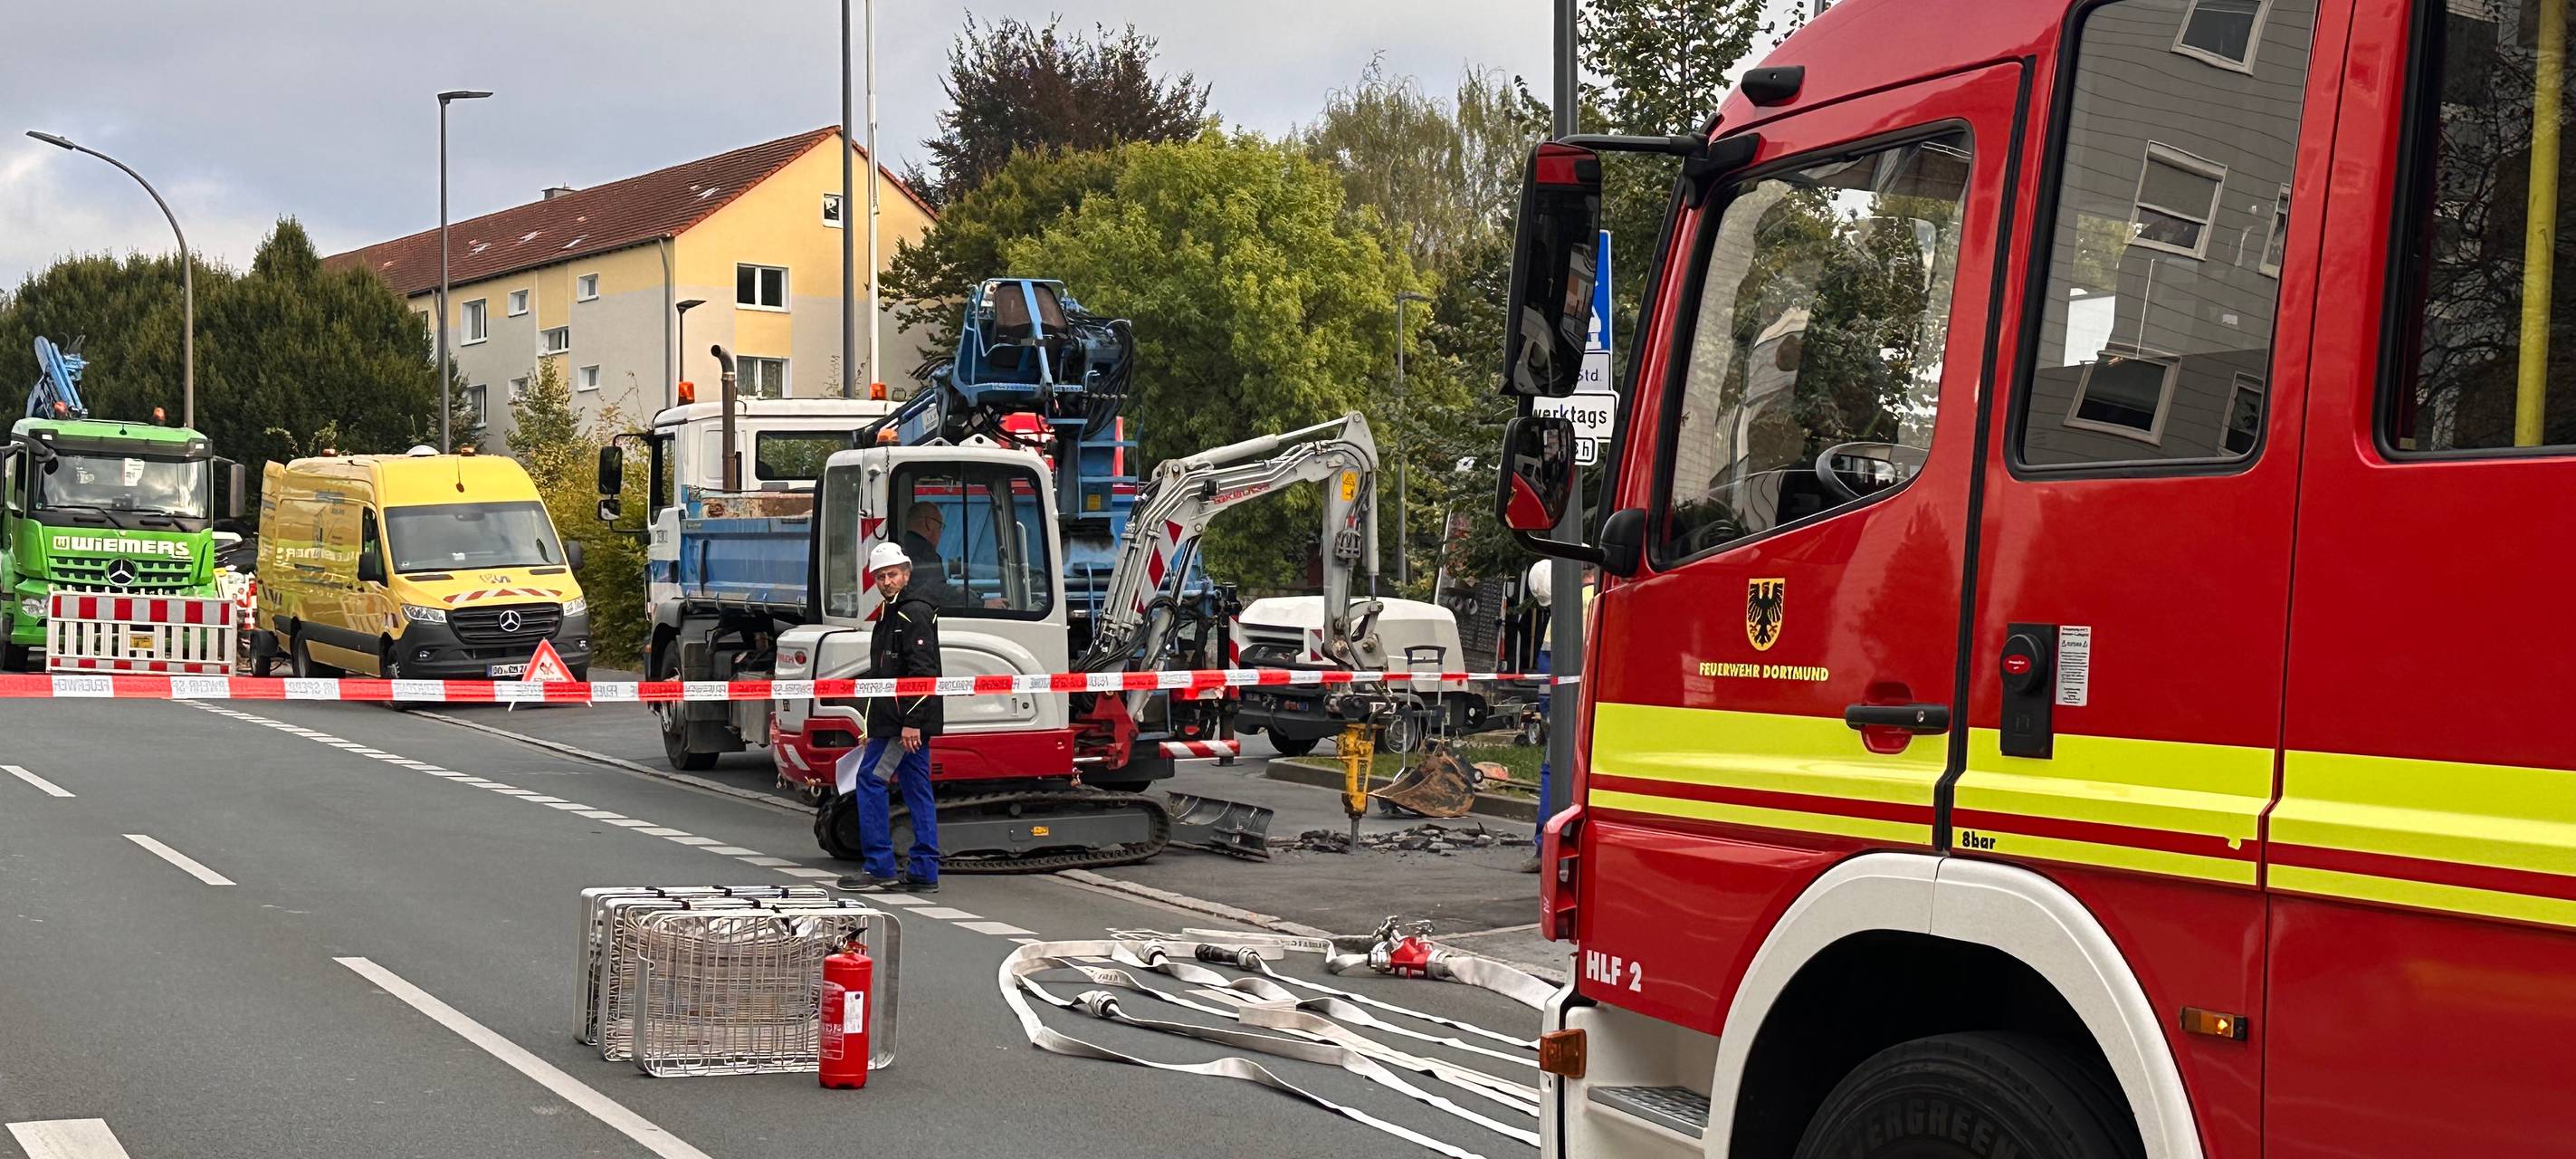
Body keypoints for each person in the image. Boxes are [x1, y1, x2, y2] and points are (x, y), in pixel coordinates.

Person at [835, 541, 943, 894]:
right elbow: (881, 676)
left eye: (892, 574)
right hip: (897, 720)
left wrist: (911, 721)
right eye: (880, 576)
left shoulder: (913, 613)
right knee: (916, 789)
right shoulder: (890, 613)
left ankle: (879, 866)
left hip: (903, 723)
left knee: (870, 781)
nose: (886, 581)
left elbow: (922, 672)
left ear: (906, 574)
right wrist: (871, 725)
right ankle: (925, 871)